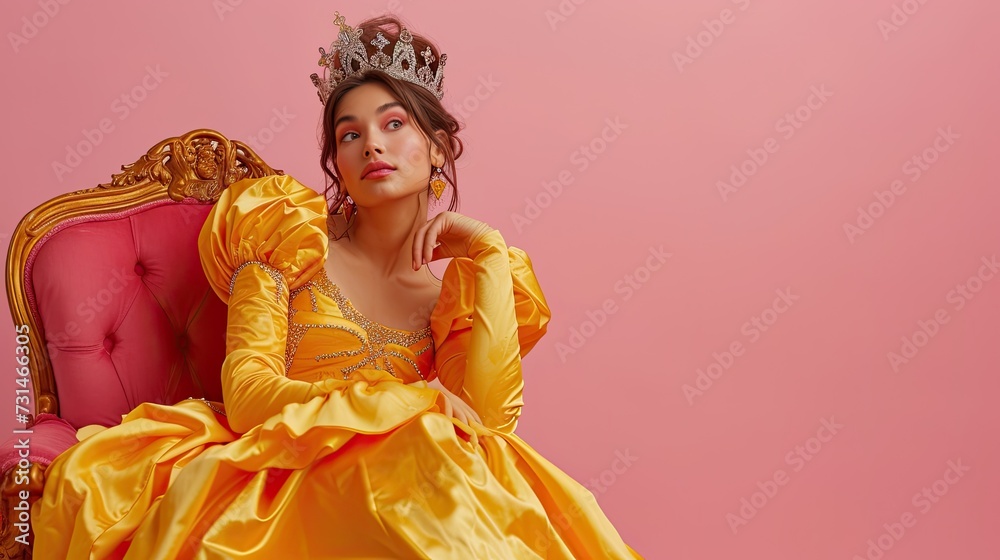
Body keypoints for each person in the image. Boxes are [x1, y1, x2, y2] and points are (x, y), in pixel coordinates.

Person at [31, 12, 644, 559]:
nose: (371, 143)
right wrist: (408, 401)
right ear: (339, 165)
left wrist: (485, 252)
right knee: (427, 442)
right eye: (349, 134)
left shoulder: (447, 298)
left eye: (393, 123)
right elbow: (247, 396)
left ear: (436, 149)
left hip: (400, 485)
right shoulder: (284, 243)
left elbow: (487, 424)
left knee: (461, 473)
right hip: (276, 472)